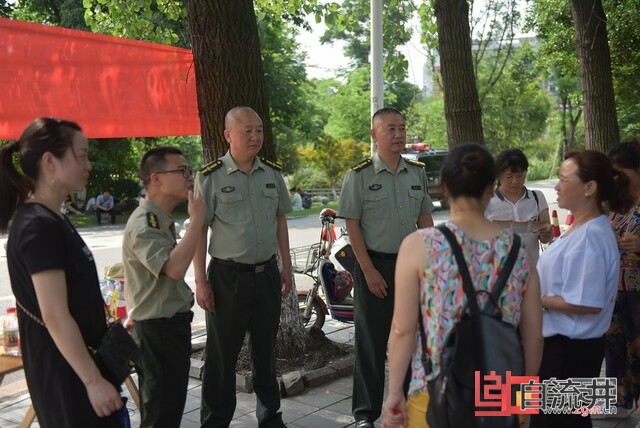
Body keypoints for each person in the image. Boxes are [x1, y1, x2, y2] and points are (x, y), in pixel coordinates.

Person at [381, 143, 543, 428]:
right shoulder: (518, 250)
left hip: (432, 394)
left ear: (444, 188)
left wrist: (395, 393)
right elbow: (534, 336)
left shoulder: (419, 245)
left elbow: (402, 330)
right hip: (500, 395)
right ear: (491, 189)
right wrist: (525, 400)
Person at [0, 118, 123, 427]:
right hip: (68, 378)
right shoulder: (38, 225)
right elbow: (54, 314)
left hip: (78, 367)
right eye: (81, 155)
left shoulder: (51, 218)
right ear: (49, 162)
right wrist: (92, 380)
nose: (89, 165)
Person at [193, 106, 293, 428]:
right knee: (222, 355)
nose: (255, 136)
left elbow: (280, 219)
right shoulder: (210, 177)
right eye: (247, 130)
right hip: (227, 278)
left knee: (265, 350)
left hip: (266, 275)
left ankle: (270, 417)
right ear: (228, 135)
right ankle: (215, 421)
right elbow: (199, 231)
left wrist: (286, 266)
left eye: (259, 130)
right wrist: (200, 281)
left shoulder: (271, 174)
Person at [338, 107, 435, 427]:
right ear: (374, 134)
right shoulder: (359, 175)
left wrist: (432, 264)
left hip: (411, 267)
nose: (398, 134)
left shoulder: (416, 172)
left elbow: (425, 220)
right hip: (374, 266)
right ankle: (365, 414)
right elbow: (352, 225)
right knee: (371, 342)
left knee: (412, 338)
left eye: (402, 128)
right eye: (391, 128)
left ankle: (408, 406)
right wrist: (367, 270)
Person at [531, 150, 635, 428]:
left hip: (569, 351)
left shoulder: (591, 236)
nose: (557, 186)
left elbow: (588, 302)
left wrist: (539, 300)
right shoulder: (583, 228)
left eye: (564, 180)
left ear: (589, 188)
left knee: (559, 422)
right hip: (565, 349)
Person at [122, 147, 206, 427]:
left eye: (189, 170)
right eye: (181, 171)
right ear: (155, 178)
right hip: (158, 332)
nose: (189, 177)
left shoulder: (159, 219)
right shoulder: (145, 223)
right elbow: (174, 269)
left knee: (165, 412)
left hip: (165, 328)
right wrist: (197, 221)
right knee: (161, 416)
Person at [605, 140, 640, 413]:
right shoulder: (617, 204)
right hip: (614, 291)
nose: (616, 178)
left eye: (620, 172)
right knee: (615, 348)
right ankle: (618, 400)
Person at [485, 148, 553, 264]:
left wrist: (546, 234)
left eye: (520, 176)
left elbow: (546, 237)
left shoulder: (537, 198)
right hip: (500, 270)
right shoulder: (487, 202)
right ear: (498, 176)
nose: (515, 181)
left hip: (532, 268)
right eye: (509, 177)